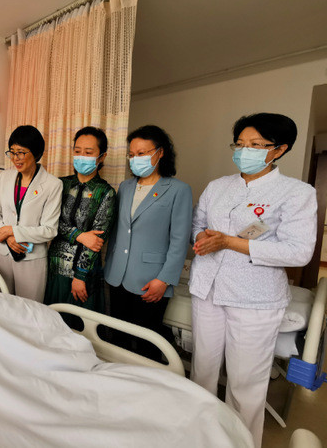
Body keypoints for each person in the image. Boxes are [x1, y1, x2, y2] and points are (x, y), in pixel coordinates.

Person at [189, 113, 317, 448]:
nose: (245, 151)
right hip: (207, 289)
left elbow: (298, 252)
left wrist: (230, 242)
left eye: (256, 145)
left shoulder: (296, 193)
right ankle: (199, 436)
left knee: (245, 384)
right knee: (202, 371)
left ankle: (242, 442)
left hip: (254, 298)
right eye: (240, 144)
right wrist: (201, 236)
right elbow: (198, 223)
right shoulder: (218, 186)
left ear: (279, 149)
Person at [104, 125, 192, 360]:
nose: (135, 159)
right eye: (132, 154)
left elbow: (179, 239)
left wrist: (164, 279)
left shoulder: (178, 190)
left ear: (160, 153)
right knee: (118, 337)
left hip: (151, 280)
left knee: (147, 342)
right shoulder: (125, 187)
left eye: (142, 153)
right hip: (117, 275)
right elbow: (119, 230)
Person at [44, 127, 116, 320]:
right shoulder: (60, 184)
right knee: (51, 322)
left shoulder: (105, 192)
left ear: (101, 157)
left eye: (88, 152)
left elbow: (96, 240)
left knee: (80, 327)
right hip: (54, 266)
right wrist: (80, 235)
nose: (81, 156)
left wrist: (80, 276)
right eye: (77, 151)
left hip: (83, 275)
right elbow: (49, 223)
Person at [0, 125, 63, 302]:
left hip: (31, 259)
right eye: (12, 152)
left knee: (29, 309)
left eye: (21, 153)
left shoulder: (53, 185)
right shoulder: (4, 177)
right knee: (0, 305)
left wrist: (11, 231)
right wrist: (8, 237)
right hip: (2, 254)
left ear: (36, 153)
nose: (15, 158)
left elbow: (49, 230)